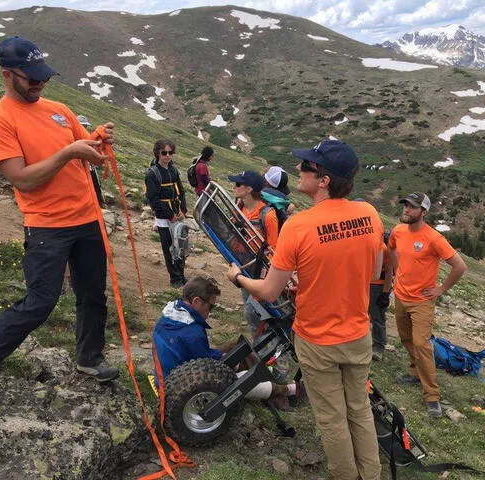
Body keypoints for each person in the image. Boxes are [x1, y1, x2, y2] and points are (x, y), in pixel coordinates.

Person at [0, 36, 118, 405]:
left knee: (92, 293)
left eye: (43, 76)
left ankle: (88, 358)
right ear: (7, 74)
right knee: (40, 301)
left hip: (87, 218)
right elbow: (22, 178)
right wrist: (68, 152)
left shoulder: (59, 109)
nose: (40, 83)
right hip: (47, 225)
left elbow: (88, 152)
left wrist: (96, 140)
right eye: (31, 77)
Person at [227, 139, 383, 480]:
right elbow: (369, 271)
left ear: (323, 180)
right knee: (359, 409)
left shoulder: (299, 226)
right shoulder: (369, 214)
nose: (298, 169)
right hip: (358, 334)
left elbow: (269, 291)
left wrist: (239, 277)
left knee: (331, 418)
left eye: (307, 166)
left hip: (318, 339)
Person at [152, 277, 302, 406]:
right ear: (196, 301)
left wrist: (221, 356)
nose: (210, 312)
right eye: (211, 306)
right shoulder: (192, 333)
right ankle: (285, 392)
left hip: (169, 375)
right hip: (184, 386)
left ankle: (270, 381)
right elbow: (203, 364)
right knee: (244, 379)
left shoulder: (170, 314)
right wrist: (227, 362)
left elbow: (197, 356)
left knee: (236, 347)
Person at [388, 192, 467, 418]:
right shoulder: (398, 231)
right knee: (406, 339)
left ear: (424, 212)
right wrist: (396, 272)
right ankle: (414, 372)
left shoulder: (433, 238)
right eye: (405, 206)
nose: (406, 210)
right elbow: (392, 248)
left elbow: (459, 266)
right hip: (401, 296)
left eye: (412, 207)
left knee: (422, 344)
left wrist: (441, 289)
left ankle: (432, 396)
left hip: (421, 301)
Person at [228, 170, 279, 337]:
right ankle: (260, 344)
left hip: (259, 272)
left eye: (237, 184)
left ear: (249, 189)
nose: (233, 187)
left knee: (254, 311)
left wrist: (266, 278)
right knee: (251, 311)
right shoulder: (239, 209)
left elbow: (274, 248)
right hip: (243, 265)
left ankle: (272, 350)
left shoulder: (268, 215)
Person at [146, 139, 188, 288]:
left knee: (181, 247)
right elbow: (153, 200)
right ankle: (175, 279)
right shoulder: (152, 173)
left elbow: (181, 191)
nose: (168, 156)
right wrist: (170, 215)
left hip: (178, 215)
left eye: (170, 153)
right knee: (169, 248)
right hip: (164, 219)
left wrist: (183, 209)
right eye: (164, 153)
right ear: (158, 153)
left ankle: (181, 275)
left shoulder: (173, 170)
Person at [368, 230, 393, 361]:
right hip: (365, 283)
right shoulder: (366, 245)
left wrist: (385, 293)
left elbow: (389, 272)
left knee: (377, 316)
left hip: (378, 286)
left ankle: (378, 347)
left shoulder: (383, 249)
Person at [76, 114, 104, 207]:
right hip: (78, 168)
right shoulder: (72, 138)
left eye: (85, 126)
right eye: (82, 126)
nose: (84, 128)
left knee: (95, 185)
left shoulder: (88, 137)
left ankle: (98, 203)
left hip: (90, 167)